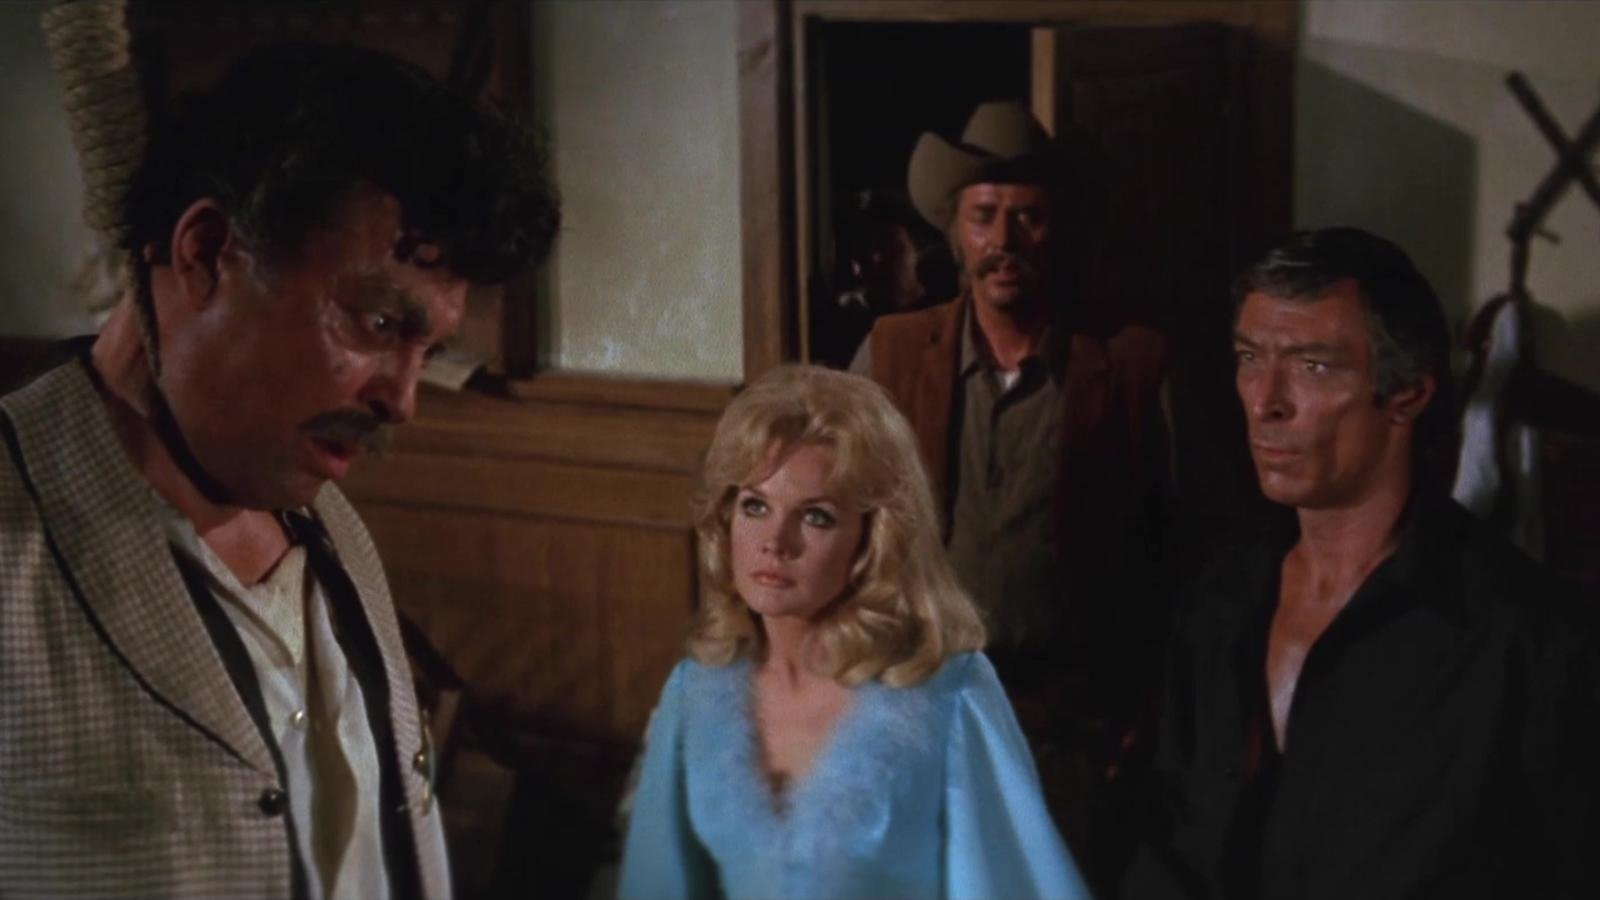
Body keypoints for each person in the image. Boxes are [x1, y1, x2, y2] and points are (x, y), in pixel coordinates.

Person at [0, 44, 557, 897]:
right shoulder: (17, 538)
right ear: (207, 252)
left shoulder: (333, 536)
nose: (403, 400)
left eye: (430, 350)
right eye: (378, 323)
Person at [1123, 228, 1600, 899]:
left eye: (1313, 367)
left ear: (1407, 394)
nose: (1266, 402)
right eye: (1250, 358)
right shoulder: (1216, 606)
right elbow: (1168, 841)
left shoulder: (1532, 638)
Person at [617, 365, 1088, 899]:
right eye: (755, 506)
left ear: (870, 539)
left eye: (815, 517)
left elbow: (1011, 886)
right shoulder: (695, 695)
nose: (775, 542)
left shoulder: (948, 695)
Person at [849, 99, 1171, 875]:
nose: (1004, 242)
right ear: (955, 231)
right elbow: (836, 520)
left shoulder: (1130, 365)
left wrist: (1149, 707)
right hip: (920, 706)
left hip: (1069, 728)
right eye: (984, 217)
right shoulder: (892, 354)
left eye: (1029, 218)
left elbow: (1179, 552)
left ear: (1059, 230)